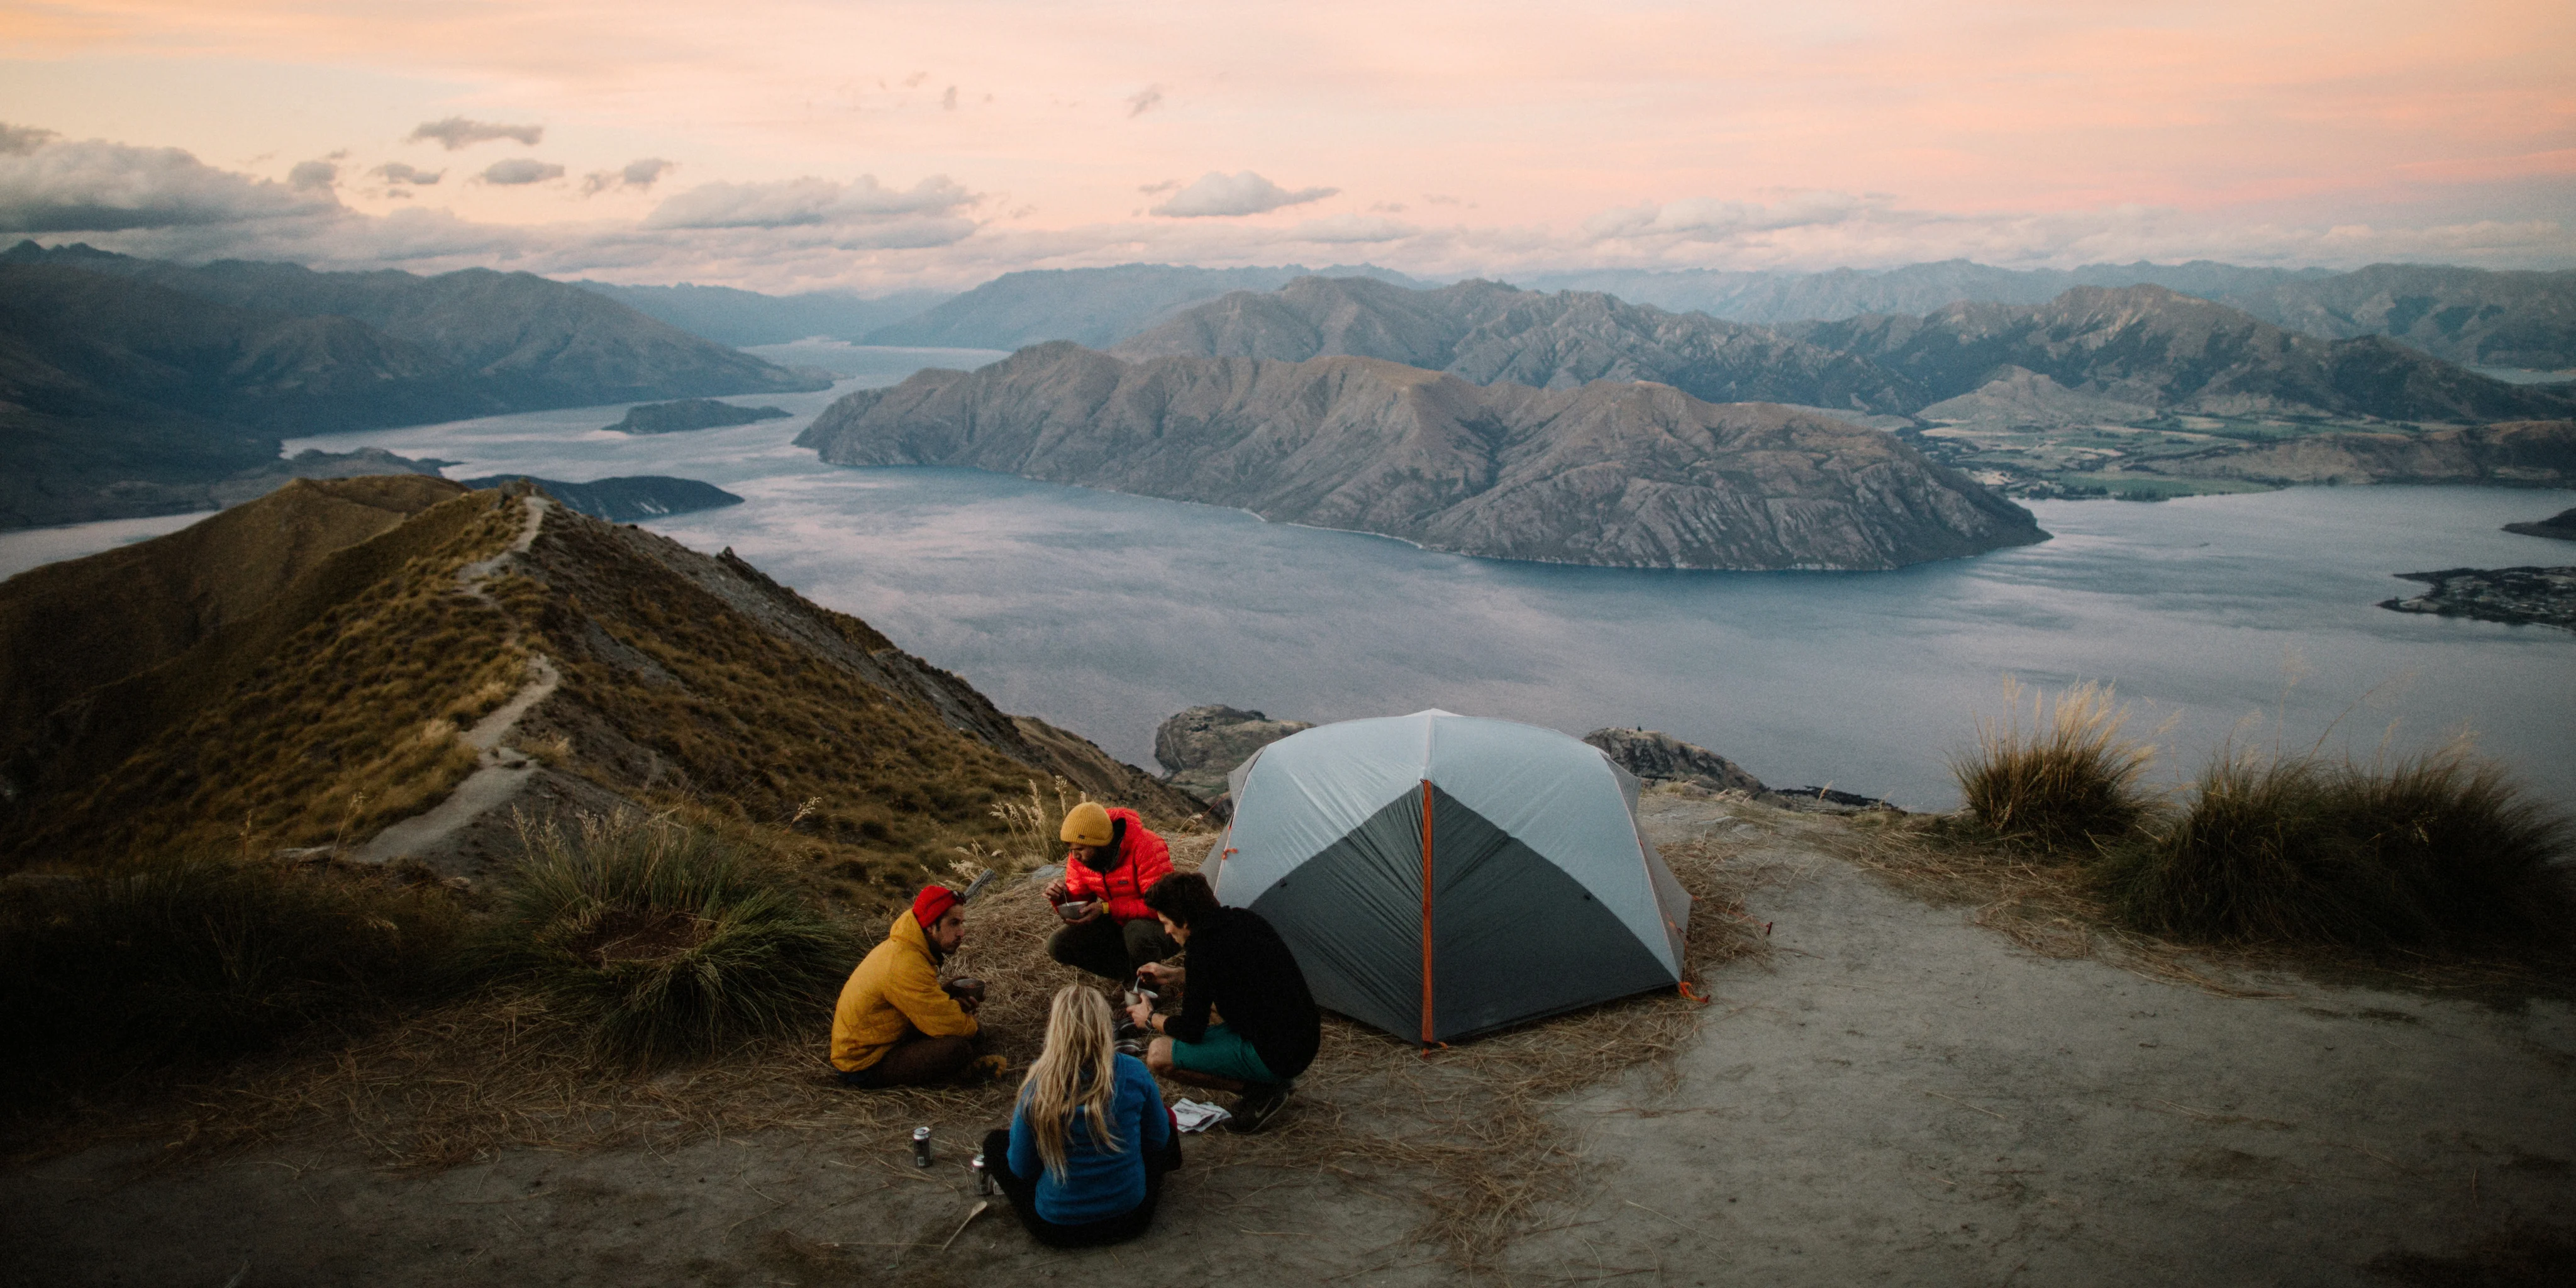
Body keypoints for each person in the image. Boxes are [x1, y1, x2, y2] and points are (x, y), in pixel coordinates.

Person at [981, 985, 1181, 1248]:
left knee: (995, 1144)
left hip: (1058, 1229)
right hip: (1131, 1217)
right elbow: (1159, 1142)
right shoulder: (1133, 1071)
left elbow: (1021, 1168)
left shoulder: (1038, 1085)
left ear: (1054, 1029)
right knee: (1162, 1124)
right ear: (1105, 1027)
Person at [1128, 871, 1319, 1133]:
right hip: (1304, 1038)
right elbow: (1232, 974)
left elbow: (1190, 1031)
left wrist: (1149, 1018)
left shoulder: (1201, 950)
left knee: (1158, 1055)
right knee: (1216, 1006)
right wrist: (1174, 975)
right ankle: (1266, 1078)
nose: (1166, 931)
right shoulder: (1244, 920)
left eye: (1166, 922)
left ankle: (1262, 1090)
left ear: (1184, 920)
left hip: (1279, 1056)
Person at [830, 884, 990, 1087]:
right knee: (959, 1049)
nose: (961, 933)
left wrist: (952, 1003)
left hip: (884, 1034)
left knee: (956, 986)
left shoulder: (908, 945)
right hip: (864, 1064)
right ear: (931, 926)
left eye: (961, 923)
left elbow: (929, 1004)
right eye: (954, 923)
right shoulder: (904, 963)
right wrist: (974, 1030)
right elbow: (945, 1024)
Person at [1043, 801, 1179, 981]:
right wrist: (1062, 898)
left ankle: (1148, 991)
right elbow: (1081, 905)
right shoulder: (1080, 859)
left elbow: (1161, 905)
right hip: (1120, 923)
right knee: (1058, 943)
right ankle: (1132, 979)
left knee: (1136, 932)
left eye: (1080, 849)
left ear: (1100, 844)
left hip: (1166, 927)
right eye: (1071, 849)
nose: (1075, 856)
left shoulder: (1146, 845)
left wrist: (1108, 908)